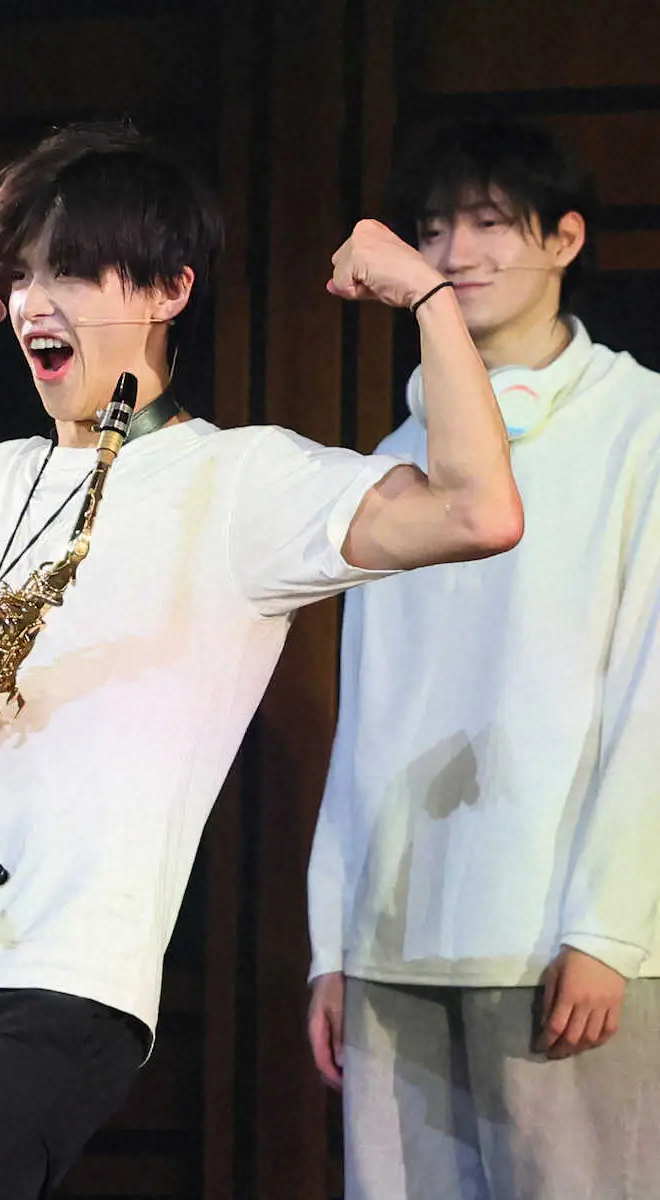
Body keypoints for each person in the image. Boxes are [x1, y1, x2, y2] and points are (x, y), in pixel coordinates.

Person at [0, 121, 521, 1199]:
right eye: (24, 276)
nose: (36, 305)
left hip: (59, 985)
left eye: (75, 272)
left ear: (170, 289)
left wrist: (428, 299)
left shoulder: (238, 483)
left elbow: (478, 510)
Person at [307, 117, 660, 1199]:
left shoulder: (639, 426)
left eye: (489, 223)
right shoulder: (396, 457)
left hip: (558, 934)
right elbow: (366, 711)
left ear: (564, 239)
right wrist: (333, 938)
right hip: (395, 935)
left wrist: (608, 927)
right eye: (431, 229)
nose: (454, 253)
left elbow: (650, 689)